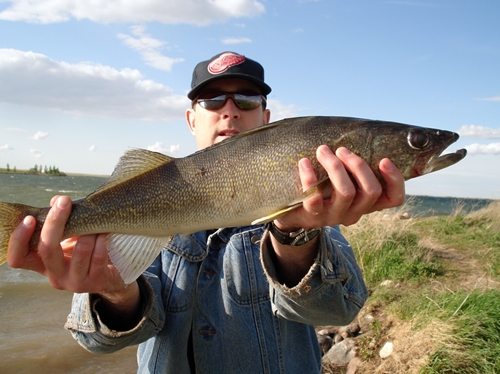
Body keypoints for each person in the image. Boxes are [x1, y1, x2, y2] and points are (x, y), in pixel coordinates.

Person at [7, 51, 405, 373]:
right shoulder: (142, 200)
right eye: (212, 100)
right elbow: (100, 340)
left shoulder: (314, 210)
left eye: (247, 99)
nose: (229, 111)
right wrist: (113, 289)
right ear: (191, 118)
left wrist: (295, 237)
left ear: (266, 119)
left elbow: (336, 308)